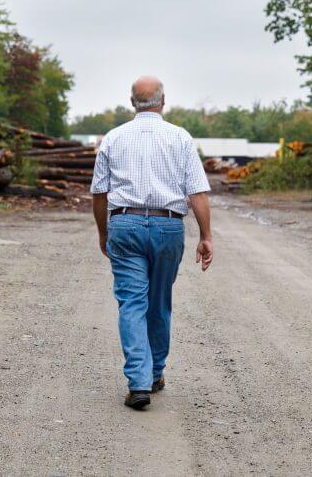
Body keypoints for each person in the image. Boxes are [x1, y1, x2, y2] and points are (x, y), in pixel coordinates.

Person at [90, 75, 214, 410]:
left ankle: (139, 382)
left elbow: (99, 193)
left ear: (132, 102)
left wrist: (104, 232)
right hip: (168, 226)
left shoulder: (113, 139)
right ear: (162, 101)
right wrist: (206, 235)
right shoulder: (180, 138)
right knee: (159, 302)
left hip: (125, 224)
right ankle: (155, 371)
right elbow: (196, 192)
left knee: (132, 303)